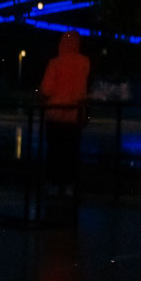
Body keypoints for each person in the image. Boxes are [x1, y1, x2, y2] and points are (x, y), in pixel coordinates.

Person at [39, 30, 91, 196]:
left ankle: (53, 183)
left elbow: (46, 90)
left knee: (54, 151)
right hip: (74, 115)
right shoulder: (84, 62)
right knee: (71, 152)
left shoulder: (55, 63)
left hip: (55, 114)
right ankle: (69, 184)